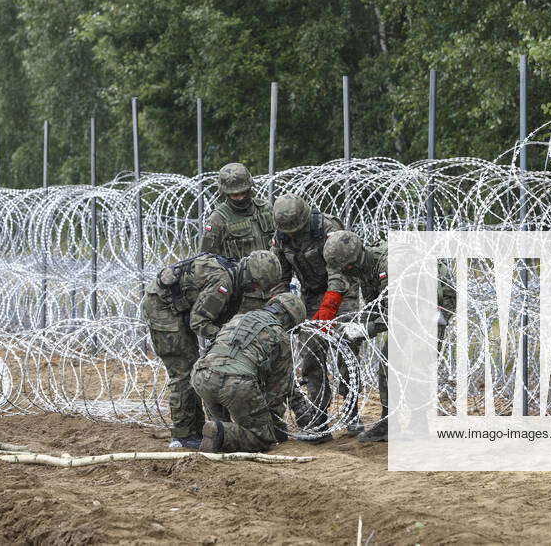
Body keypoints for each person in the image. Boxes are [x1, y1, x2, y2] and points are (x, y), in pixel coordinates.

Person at [314, 231, 455, 442]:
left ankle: (418, 422)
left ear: (350, 265)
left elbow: (399, 314)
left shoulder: (391, 265)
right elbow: (377, 308)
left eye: (344, 270)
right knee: (388, 359)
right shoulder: (366, 268)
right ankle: (389, 422)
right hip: (407, 308)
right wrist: (353, 327)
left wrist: (364, 330)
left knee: (413, 360)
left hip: (430, 308)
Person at [144, 249, 282, 449]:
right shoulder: (223, 281)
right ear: (251, 278)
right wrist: (226, 338)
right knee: (184, 370)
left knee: (194, 365)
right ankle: (183, 434)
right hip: (162, 308)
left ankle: (199, 429)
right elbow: (199, 322)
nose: (256, 290)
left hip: (180, 308)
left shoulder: (235, 275)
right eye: (257, 285)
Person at [270, 194, 360, 441]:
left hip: (341, 293)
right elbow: (279, 277)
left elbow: (339, 272)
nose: (294, 234)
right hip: (310, 296)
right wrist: (284, 304)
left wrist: (329, 309)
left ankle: (352, 411)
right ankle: (318, 418)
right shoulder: (282, 236)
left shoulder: (326, 228)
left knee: (346, 352)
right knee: (310, 356)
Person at [191, 292, 308, 453]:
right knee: (262, 438)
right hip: (236, 382)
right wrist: (276, 427)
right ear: (289, 319)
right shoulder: (280, 336)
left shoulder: (239, 318)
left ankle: (217, 433)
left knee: (220, 423)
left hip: (202, 375)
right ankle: (221, 434)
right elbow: (277, 391)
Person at [200, 163, 278, 313]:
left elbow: (282, 246)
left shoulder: (266, 209)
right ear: (225, 193)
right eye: (235, 195)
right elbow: (206, 263)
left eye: (244, 192)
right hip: (242, 298)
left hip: (273, 291)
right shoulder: (217, 220)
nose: (241, 197)